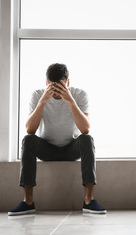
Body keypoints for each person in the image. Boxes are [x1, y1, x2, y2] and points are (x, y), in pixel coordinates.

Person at [8, 63, 106, 216]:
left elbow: (85, 129)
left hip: (71, 148)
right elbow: (30, 130)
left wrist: (70, 101)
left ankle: (89, 200)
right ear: (46, 84)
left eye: (60, 86)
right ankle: (28, 202)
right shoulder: (37, 95)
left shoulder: (79, 95)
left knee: (87, 139)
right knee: (28, 140)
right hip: (47, 149)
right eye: (52, 86)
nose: (56, 92)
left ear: (67, 83)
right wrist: (42, 102)